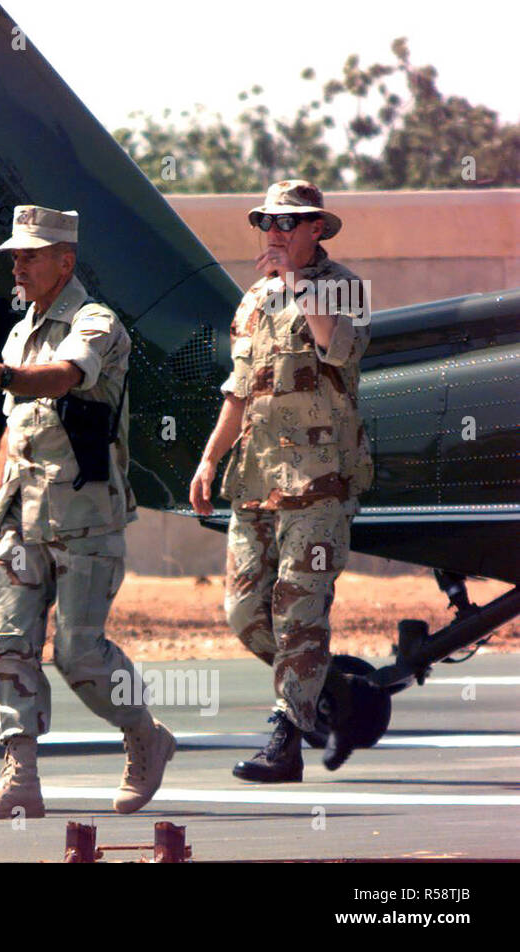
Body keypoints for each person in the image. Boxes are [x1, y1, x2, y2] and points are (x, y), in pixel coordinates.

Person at [0, 205, 175, 819]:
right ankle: (20, 778)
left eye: (29, 255)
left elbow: (64, 378)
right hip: (22, 517)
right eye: (14, 256)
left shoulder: (96, 322)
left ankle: (144, 733)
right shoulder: (19, 329)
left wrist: (1, 376)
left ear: (64, 261)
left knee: (79, 653)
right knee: (6, 645)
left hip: (85, 516)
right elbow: (13, 432)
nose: (17, 266)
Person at [189, 179, 373, 781]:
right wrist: (210, 460)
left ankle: (286, 739)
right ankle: (334, 691)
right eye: (266, 222)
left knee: (300, 610)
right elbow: (239, 392)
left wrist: (295, 284)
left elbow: (338, 348)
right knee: (245, 611)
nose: (273, 233)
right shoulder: (252, 301)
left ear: (316, 228)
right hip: (256, 479)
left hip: (321, 482)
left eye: (286, 223)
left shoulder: (344, 287)